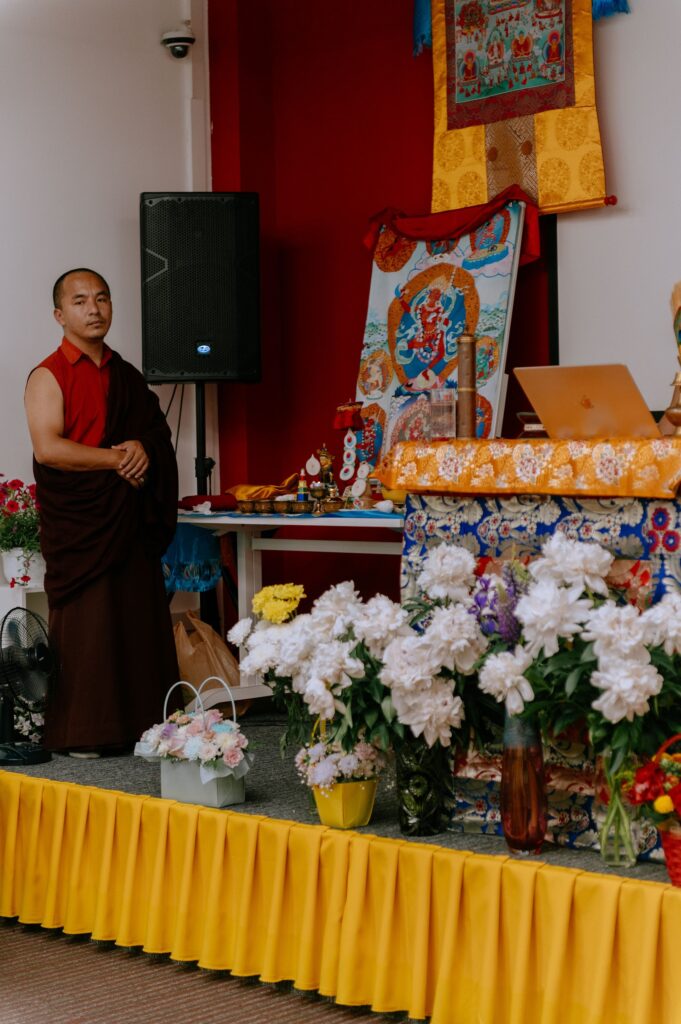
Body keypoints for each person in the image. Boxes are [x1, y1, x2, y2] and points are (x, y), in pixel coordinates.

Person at [24, 268, 179, 756]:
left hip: (127, 517)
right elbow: (48, 449)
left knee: (135, 619)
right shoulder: (48, 374)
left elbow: (157, 435)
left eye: (102, 298)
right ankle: (85, 734)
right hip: (83, 524)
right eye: (80, 301)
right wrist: (118, 459)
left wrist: (141, 449)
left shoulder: (127, 375)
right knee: (89, 629)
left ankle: (148, 728)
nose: (94, 308)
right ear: (60, 314)